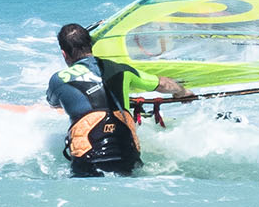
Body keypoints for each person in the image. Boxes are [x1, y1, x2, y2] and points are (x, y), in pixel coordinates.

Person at [46, 23, 188, 177]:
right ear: (91, 46)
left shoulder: (59, 80)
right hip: (128, 160)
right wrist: (183, 92)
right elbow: (162, 84)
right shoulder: (122, 69)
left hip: (88, 164)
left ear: (64, 54)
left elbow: (54, 104)